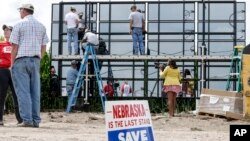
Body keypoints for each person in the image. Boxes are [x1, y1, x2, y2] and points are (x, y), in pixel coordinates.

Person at [10, 3, 49, 127]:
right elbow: (44, 46)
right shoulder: (41, 26)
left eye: (20, 10)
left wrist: (12, 63)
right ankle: (36, 121)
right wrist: (39, 58)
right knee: (35, 92)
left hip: (21, 60)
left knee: (23, 92)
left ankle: (27, 120)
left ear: (23, 11)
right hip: (35, 60)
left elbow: (14, 46)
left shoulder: (18, 24)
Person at [0, 25, 23, 126]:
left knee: (17, 95)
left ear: (12, 32)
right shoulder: (0, 44)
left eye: (8, 30)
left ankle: (20, 119)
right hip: (3, 71)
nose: (6, 31)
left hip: (14, 71)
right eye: (4, 30)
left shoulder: (17, 44)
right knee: (1, 96)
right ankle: (0, 119)